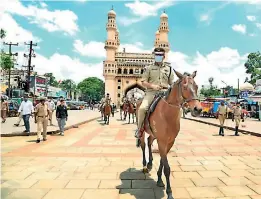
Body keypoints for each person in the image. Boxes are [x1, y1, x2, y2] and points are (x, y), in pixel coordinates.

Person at [135, 47, 174, 147]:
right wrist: (153, 86)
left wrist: (168, 87)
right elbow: (143, 82)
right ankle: (139, 129)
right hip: (151, 93)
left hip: (165, 93)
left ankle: (174, 129)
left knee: (176, 108)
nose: (158, 57)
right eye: (157, 55)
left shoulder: (169, 69)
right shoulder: (148, 68)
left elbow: (171, 84)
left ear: (164, 56)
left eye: (160, 55)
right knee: (142, 108)